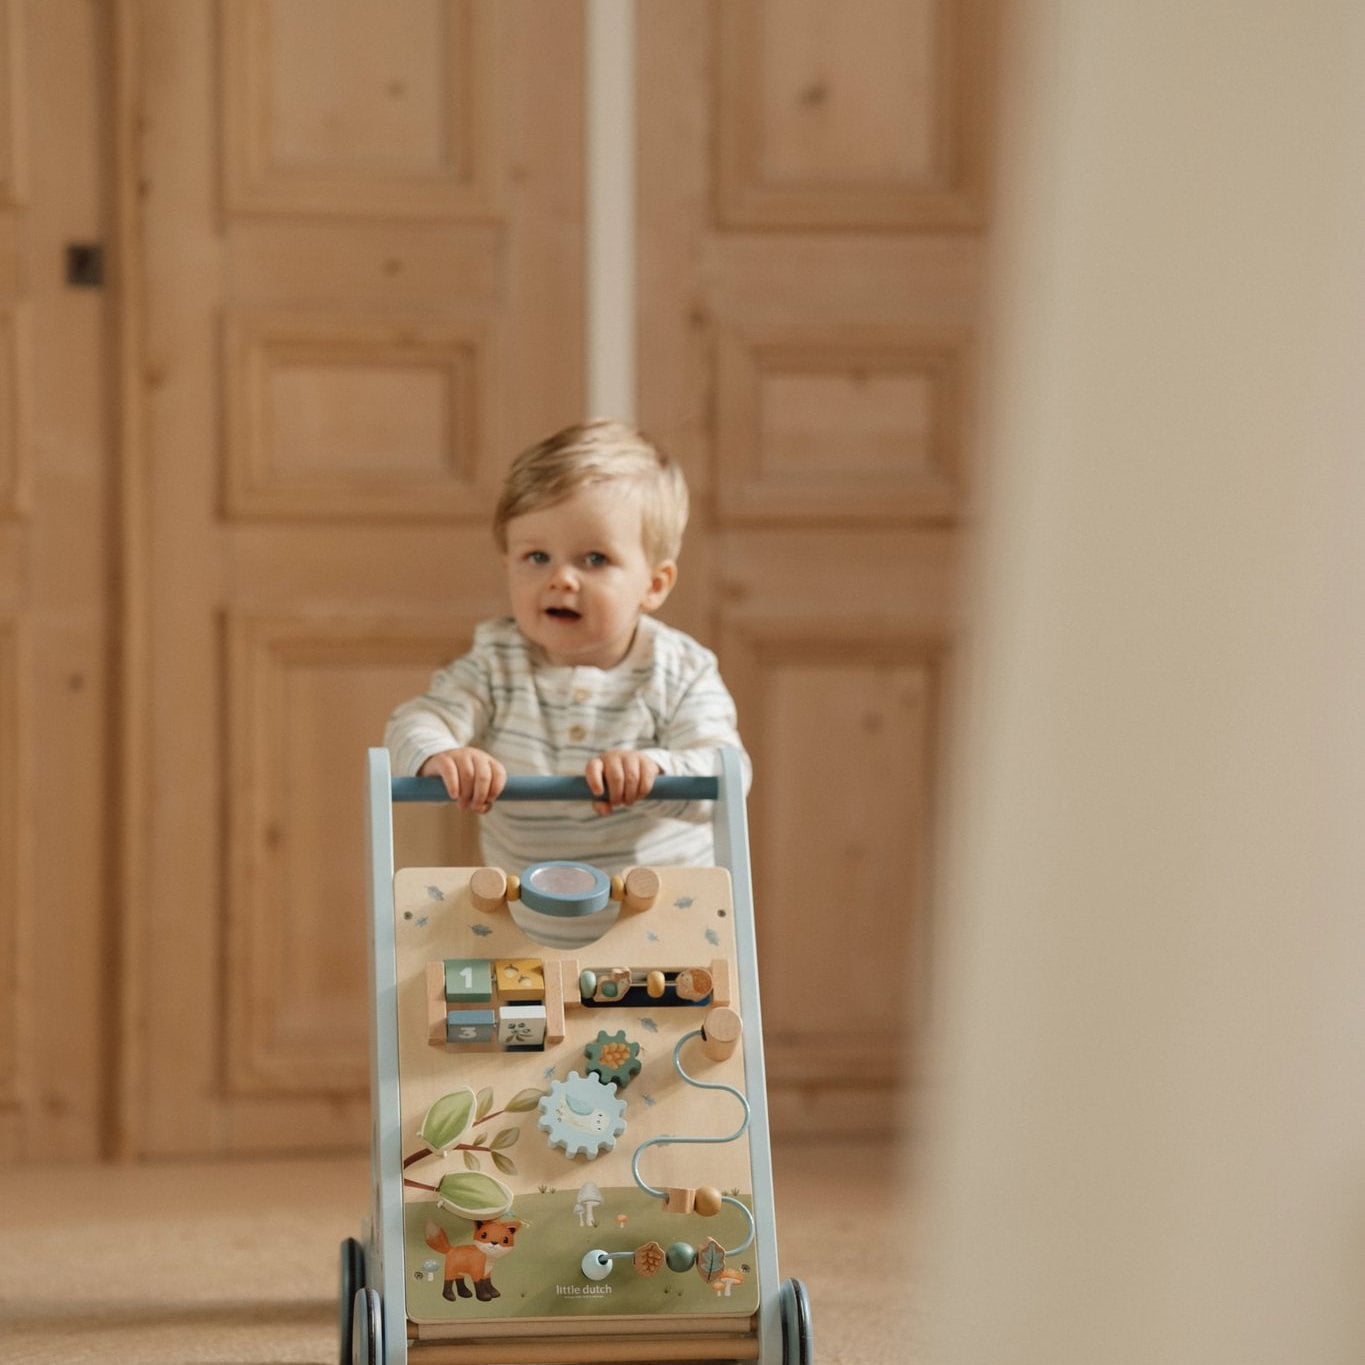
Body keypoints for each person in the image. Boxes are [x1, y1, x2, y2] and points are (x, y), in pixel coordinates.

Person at [384, 418, 749, 875]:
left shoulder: (681, 671)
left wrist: (652, 771)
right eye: (537, 557)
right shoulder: (495, 664)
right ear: (507, 564)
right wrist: (442, 754)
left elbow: (727, 771)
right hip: (526, 916)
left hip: (661, 923)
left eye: (594, 559)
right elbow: (412, 722)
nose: (561, 578)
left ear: (654, 584)